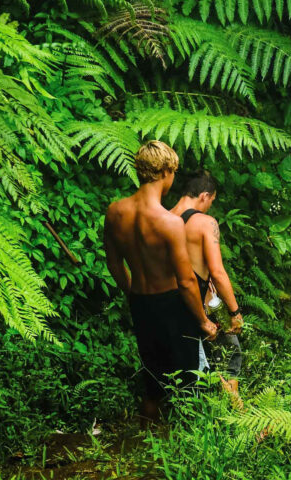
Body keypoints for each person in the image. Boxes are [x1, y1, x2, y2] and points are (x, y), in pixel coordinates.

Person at [104, 140, 217, 423]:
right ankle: (185, 444)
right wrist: (203, 320)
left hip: (141, 303)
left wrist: (131, 292)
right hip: (173, 306)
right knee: (189, 382)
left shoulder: (115, 212)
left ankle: (146, 441)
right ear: (166, 172)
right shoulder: (168, 222)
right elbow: (186, 281)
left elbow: (114, 263)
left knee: (152, 380)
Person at [169, 173, 244, 401]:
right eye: (211, 201)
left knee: (199, 363)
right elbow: (218, 273)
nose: (210, 207)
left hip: (167, 301)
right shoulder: (205, 223)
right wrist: (235, 312)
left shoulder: (163, 218)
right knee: (228, 356)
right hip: (195, 303)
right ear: (204, 196)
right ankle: (240, 415)